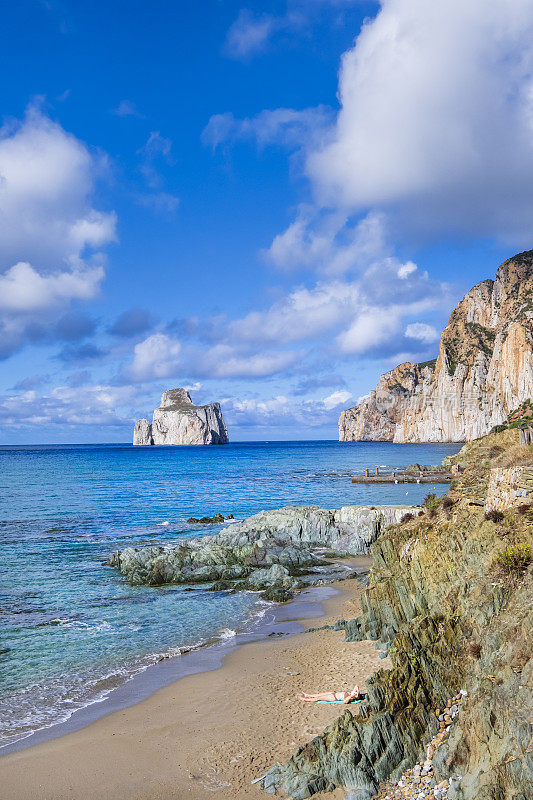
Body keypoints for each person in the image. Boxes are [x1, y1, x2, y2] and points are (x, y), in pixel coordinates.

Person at [298, 685, 363, 704]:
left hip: (333, 697)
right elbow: (356, 686)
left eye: (356, 694)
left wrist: (351, 696)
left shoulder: (350, 697)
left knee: (318, 698)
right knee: (319, 694)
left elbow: (345, 702)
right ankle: (308, 695)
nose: (354, 692)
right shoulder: (352, 693)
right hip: (333, 693)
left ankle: (305, 699)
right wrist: (356, 692)